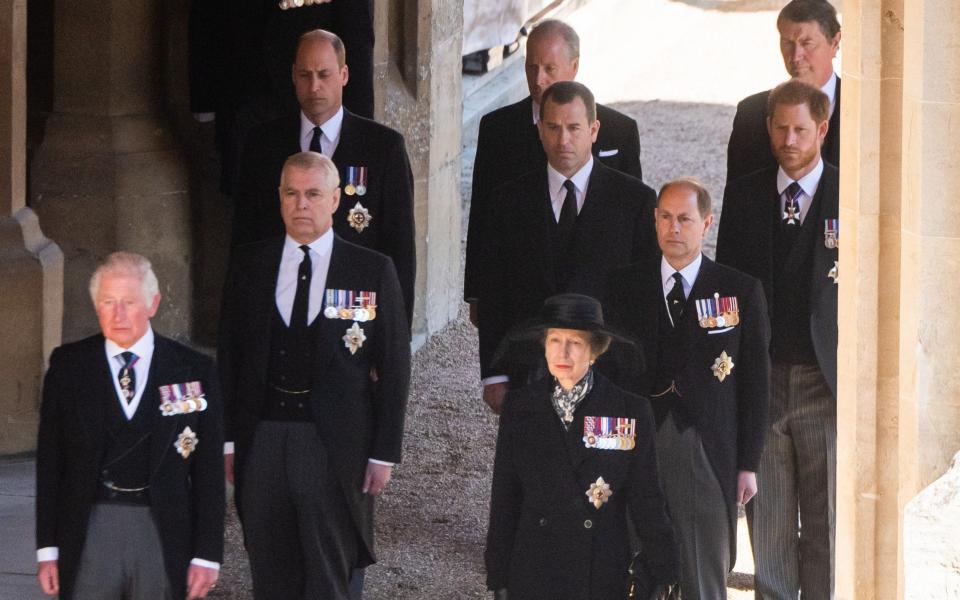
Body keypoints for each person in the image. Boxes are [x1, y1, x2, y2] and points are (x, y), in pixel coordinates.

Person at [218, 151, 410, 599]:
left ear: (335, 200)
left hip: (334, 442)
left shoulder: (371, 269)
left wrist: (384, 452)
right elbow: (230, 357)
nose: (301, 204)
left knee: (329, 568)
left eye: (313, 194)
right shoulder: (250, 265)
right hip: (263, 435)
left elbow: (396, 365)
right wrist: (229, 439)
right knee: (270, 567)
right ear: (280, 199)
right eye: (292, 193)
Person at [606, 179, 771, 599]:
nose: (673, 228)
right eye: (664, 217)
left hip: (705, 446)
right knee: (635, 569)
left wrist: (748, 463)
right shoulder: (623, 286)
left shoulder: (739, 291)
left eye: (684, 219)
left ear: (707, 223)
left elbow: (755, 385)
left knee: (702, 574)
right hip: (636, 442)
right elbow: (607, 375)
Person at [35, 252, 224, 600]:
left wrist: (207, 554)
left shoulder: (193, 369)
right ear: (96, 305)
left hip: (162, 528)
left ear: (153, 304)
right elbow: (50, 464)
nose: (117, 314)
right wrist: (47, 550)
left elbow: (208, 472)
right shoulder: (68, 366)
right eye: (108, 301)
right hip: (90, 525)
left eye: (129, 302)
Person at [716, 79, 839, 599]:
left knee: (824, 521)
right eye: (781, 128)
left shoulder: (850, 195)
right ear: (768, 128)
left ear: (823, 129)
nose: (790, 139)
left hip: (822, 381)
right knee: (767, 526)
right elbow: (725, 287)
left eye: (801, 129)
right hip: (761, 381)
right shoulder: (743, 196)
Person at [477, 80, 658, 414]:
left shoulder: (636, 202)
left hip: (609, 370)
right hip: (528, 370)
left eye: (574, 128)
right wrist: (494, 373)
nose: (563, 140)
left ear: (594, 129)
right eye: (554, 127)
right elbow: (493, 291)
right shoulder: (508, 201)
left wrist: (642, 374)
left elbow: (647, 294)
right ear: (540, 130)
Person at [485, 293, 679, 600]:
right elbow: (505, 497)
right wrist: (497, 576)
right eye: (554, 340)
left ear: (595, 350)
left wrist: (666, 570)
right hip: (534, 568)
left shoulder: (629, 411)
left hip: (600, 571)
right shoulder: (520, 408)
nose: (563, 352)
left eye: (574, 342)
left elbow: (646, 498)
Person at [232, 28, 416, 327]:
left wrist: (395, 338)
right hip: (280, 312)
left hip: (351, 316)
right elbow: (244, 241)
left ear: (344, 75)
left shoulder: (383, 148)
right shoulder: (262, 145)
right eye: (305, 75)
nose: (314, 86)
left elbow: (400, 250)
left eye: (324, 74)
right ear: (293, 76)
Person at [465, 18, 644, 322]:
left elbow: (632, 219)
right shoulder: (498, 129)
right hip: (524, 283)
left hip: (595, 293)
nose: (538, 79)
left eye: (549, 68)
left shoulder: (619, 131)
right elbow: (482, 211)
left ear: (574, 67)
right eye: (531, 67)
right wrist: (477, 292)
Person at [188, 0, 375, 193]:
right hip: (243, 102)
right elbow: (206, 14)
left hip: (314, 114)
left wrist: (360, 135)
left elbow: (357, 38)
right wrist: (204, 103)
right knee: (251, 209)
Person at [726, 0, 841, 184]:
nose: (795, 56)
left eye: (807, 43)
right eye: (787, 43)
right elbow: (738, 203)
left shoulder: (866, 114)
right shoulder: (751, 114)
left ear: (835, 42)